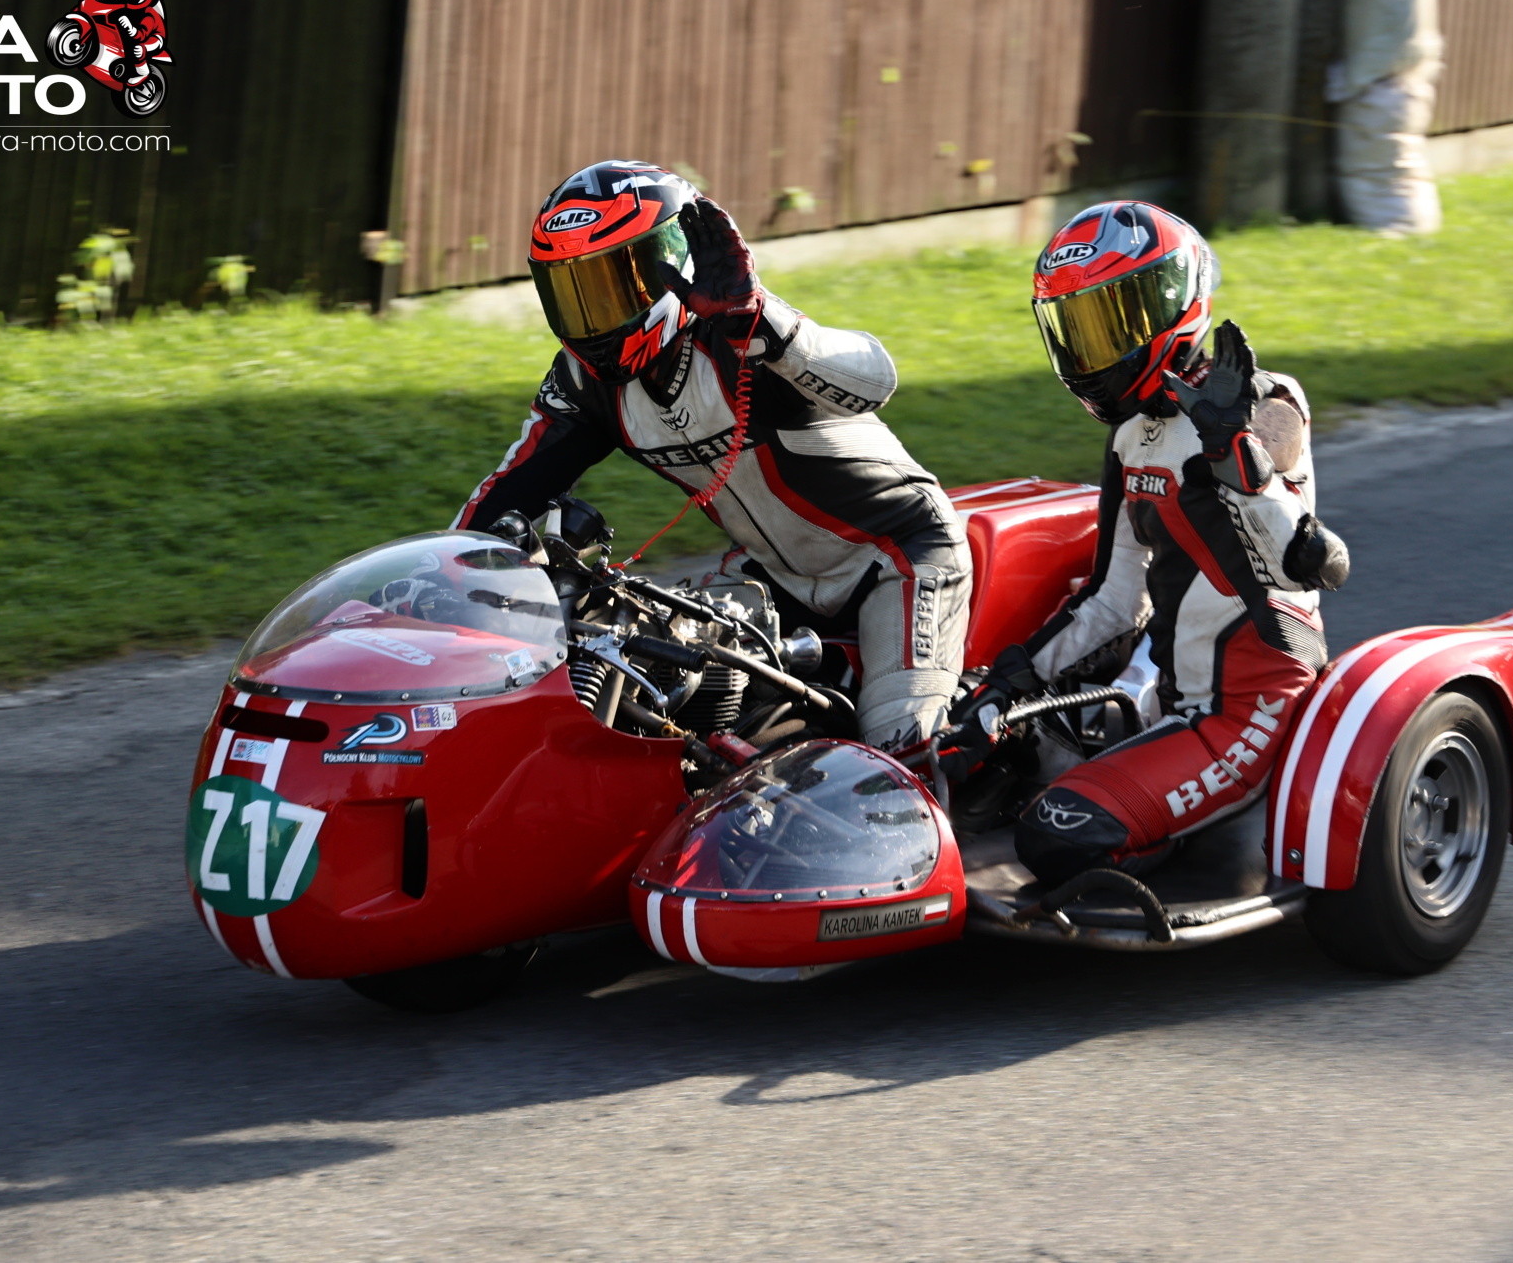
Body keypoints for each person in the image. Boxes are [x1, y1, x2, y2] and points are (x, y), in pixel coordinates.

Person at [454, 161, 970, 749]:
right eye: (573, 294)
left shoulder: (741, 329)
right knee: (665, 706)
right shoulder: (583, 383)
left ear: (671, 266)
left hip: (897, 556)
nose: (592, 318)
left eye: (612, 286)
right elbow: (506, 496)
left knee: (899, 745)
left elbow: (876, 380)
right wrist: (433, 584)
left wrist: (764, 319)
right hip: (767, 575)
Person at [945, 201, 1349, 886]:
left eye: (1116, 322)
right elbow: (1112, 599)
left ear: (1175, 303)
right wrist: (1005, 683)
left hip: (1252, 707)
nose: (1096, 350)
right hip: (1172, 697)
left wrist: (1236, 453)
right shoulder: (1131, 437)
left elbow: (1303, 562)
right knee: (974, 742)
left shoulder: (1265, 399)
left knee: (1050, 833)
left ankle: (1177, 842)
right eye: (1082, 328)